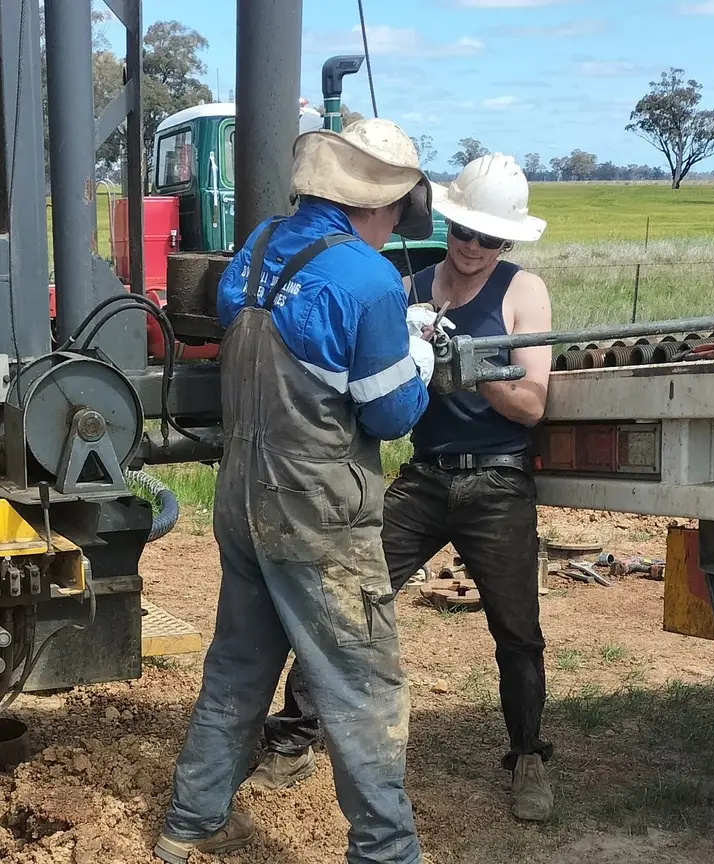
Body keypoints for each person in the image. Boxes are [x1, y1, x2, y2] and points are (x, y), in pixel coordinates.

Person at [152, 118, 437, 864]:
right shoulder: (369, 280)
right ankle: (387, 851)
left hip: (245, 504)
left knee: (237, 669)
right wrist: (419, 357)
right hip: (318, 521)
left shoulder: (253, 252)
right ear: (383, 205)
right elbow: (392, 413)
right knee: (362, 688)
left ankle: (188, 822)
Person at [246, 152, 556, 823]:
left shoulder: (521, 292)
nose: (474, 249)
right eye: (466, 233)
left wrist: (469, 369)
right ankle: (297, 737)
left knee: (516, 629)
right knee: (346, 599)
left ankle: (528, 755)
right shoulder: (406, 286)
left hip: (498, 479)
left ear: (507, 242)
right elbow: (375, 402)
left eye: (490, 239)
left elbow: (533, 404)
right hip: (425, 474)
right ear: (447, 224)